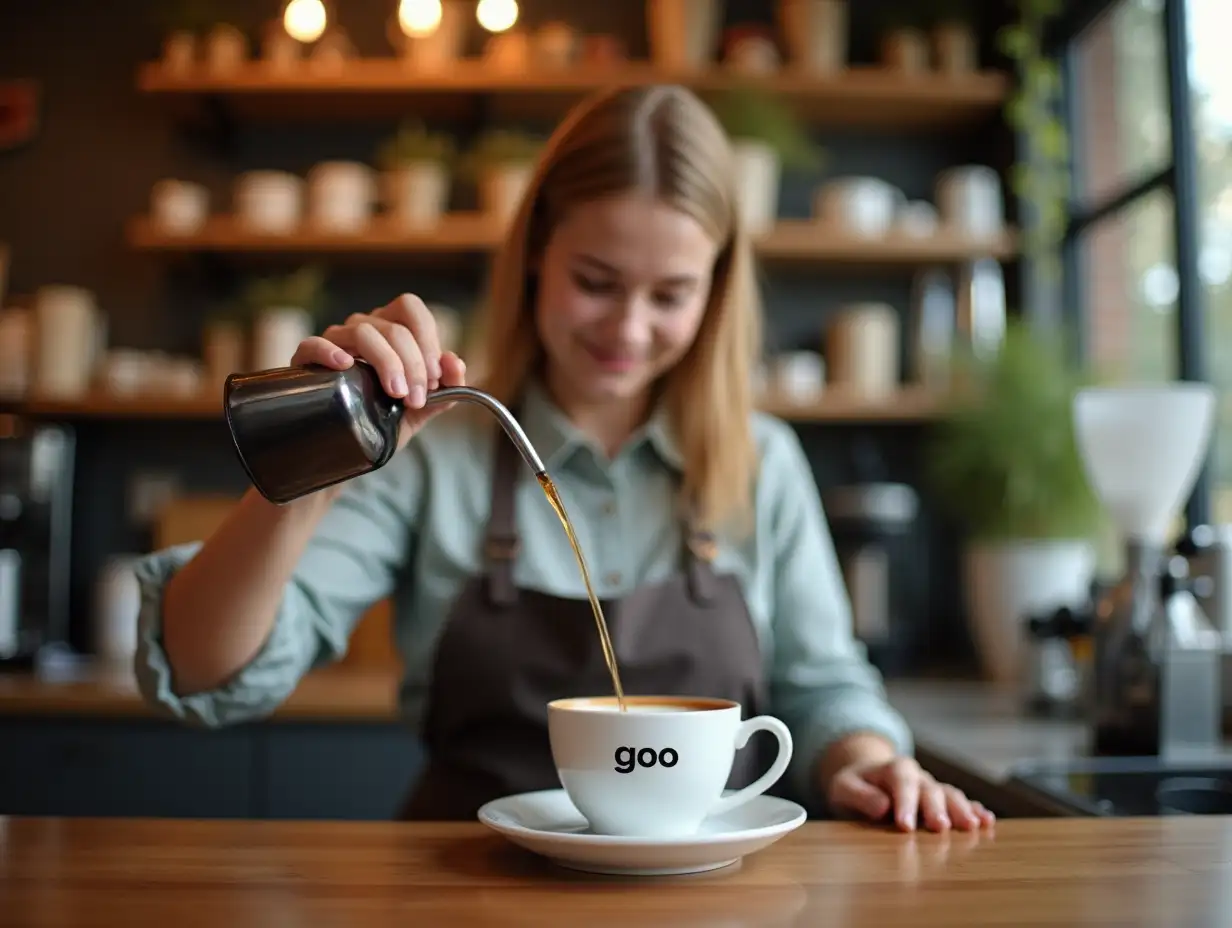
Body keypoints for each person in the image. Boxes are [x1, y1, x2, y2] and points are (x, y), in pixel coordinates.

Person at [132, 84, 994, 834]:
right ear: (538, 250)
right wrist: (309, 466)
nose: (627, 330)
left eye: (670, 295)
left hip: (707, 897)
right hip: (467, 893)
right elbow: (211, 671)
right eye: (597, 280)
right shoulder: (435, 449)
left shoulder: (762, 460)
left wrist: (866, 758)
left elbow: (821, 687)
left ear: (717, 289)